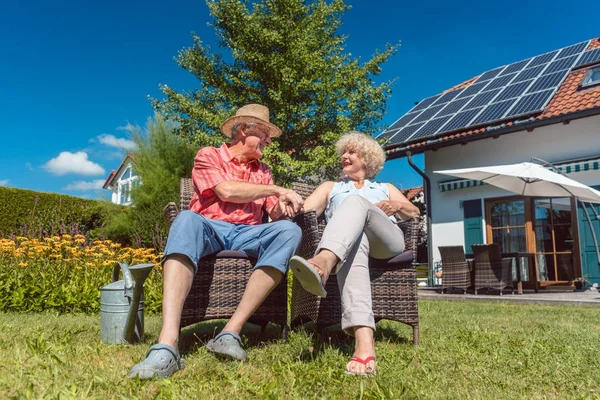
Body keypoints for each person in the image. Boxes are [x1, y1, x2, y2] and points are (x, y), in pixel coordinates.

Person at [130, 104, 304, 379]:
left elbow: (273, 212)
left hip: (248, 233)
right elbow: (226, 190)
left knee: (289, 231)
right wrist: (277, 188)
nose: (269, 141)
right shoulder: (209, 155)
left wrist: (286, 203)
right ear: (245, 129)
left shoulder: (264, 170)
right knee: (186, 218)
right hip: (209, 227)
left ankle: (230, 332)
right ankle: (167, 344)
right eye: (265, 134)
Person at [290, 131, 420, 376]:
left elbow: (414, 213)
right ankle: (364, 342)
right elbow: (305, 211)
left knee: (355, 203)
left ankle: (324, 262)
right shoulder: (331, 187)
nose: (344, 156)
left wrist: (397, 205)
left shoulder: (385, 187)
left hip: (387, 243)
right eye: (344, 152)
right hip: (350, 246)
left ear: (367, 158)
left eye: (351, 152)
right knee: (355, 241)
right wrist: (288, 203)